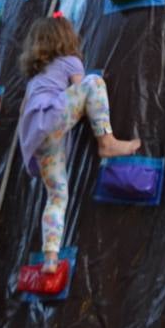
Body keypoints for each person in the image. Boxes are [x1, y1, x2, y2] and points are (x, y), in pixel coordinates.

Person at [17, 15, 139, 272]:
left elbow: (24, 110)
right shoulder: (70, 61)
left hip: (37, 135)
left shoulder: (35, 78)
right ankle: (107, 140)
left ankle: (50, 256)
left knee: (57, 194)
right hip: (54, 118)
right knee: (93, 82)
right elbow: (81, 89)